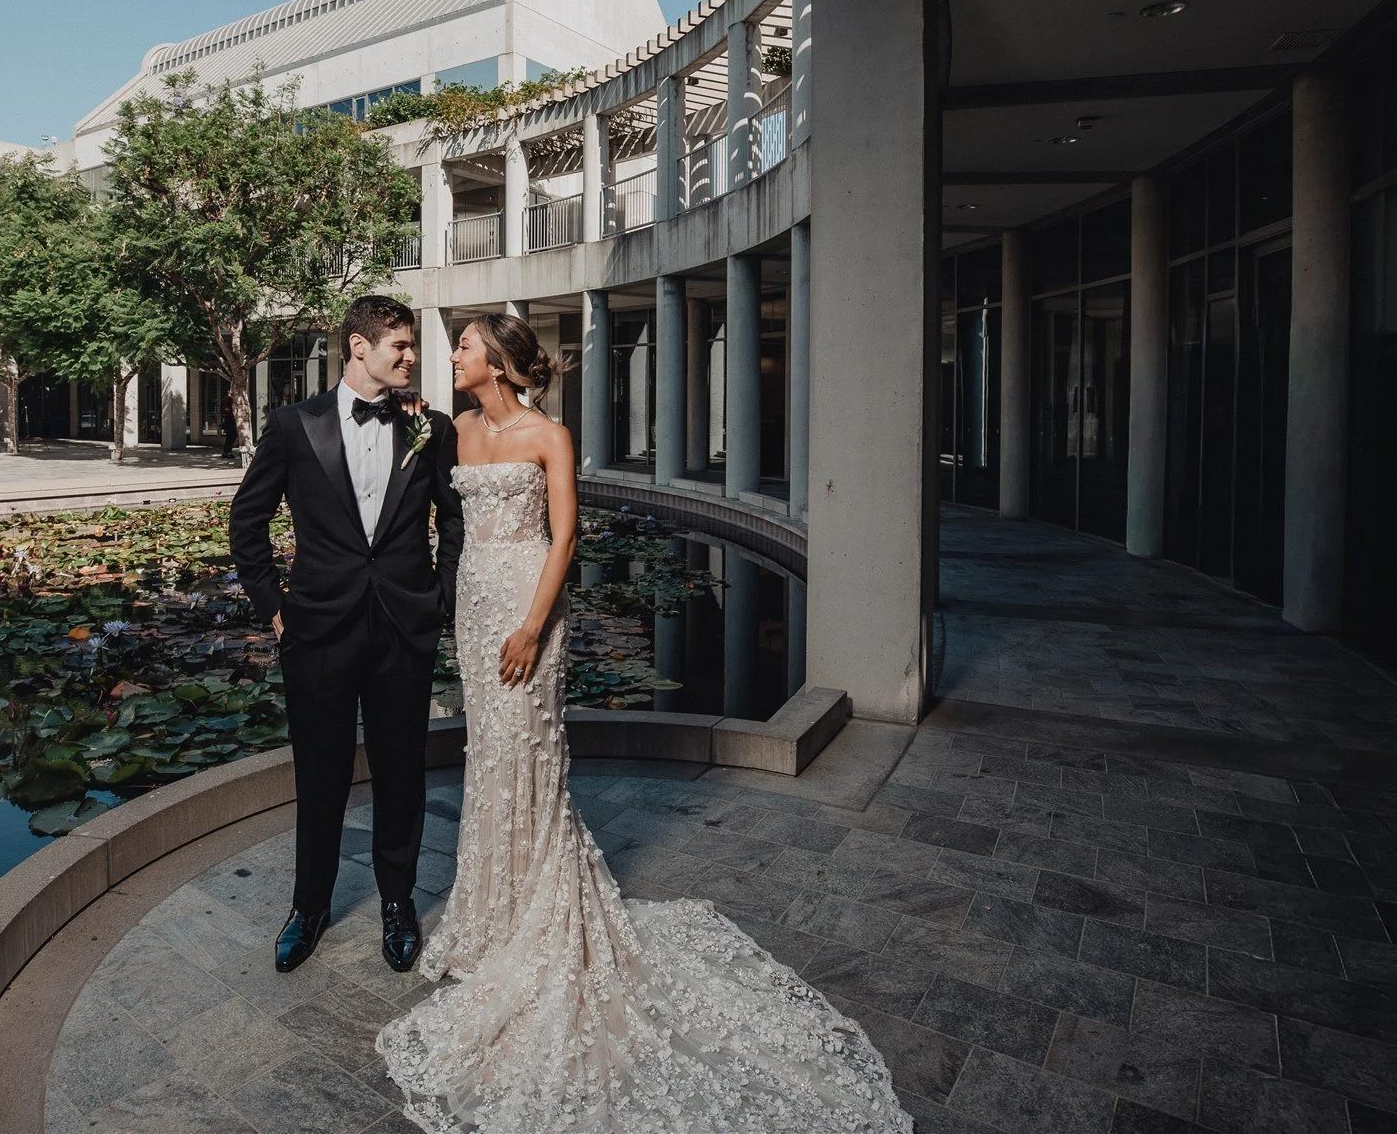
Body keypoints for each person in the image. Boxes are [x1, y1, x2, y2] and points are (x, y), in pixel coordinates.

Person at [375, 314, 909, 1133]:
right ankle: (490, 914)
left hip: (527, 602)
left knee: (529, 752)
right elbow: (437, 502)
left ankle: (537, 913)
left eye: (466, 345)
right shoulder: (457, 432)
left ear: (502, 362)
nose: (453, 354)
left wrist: (532, 626)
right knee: (490, 755)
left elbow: (565, 538)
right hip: (475, 604)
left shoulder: (549, 435)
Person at [227, 296, 463, 978]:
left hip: (402, 628)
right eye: (400, 345)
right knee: (319, 774)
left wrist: (440, 601)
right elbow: (247, 521)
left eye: (412, 345)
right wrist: (275, 608)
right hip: (317, 631)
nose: (411, 356)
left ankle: (397, 903)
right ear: (360, 346)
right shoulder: (292, 425)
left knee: (401, 772)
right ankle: (309, 908)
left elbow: (454, 522)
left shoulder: (429, 427)